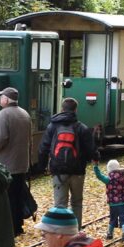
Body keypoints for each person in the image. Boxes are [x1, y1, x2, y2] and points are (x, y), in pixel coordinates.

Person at [37, 97, 97, 227]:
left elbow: (43, 148)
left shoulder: (52, 126)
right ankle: (76, 231)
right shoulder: (82, 127)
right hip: (77, 171)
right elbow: (91, 150)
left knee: (60, 204)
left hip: (58, 171)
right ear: (75, 110)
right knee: (77, 202)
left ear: (62, 109)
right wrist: (94, 159)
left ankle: (61, 232)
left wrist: (41, 167)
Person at [0, 87, 33, 236]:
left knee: (7, 198)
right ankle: (18, 225)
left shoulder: (3, 115)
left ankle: (9, 228)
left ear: (6, 99)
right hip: (21, 163)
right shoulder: (24, 114)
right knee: (18, 196)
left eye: (1, 97)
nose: (0, 99)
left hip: (6, 164)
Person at [93, 159, 124, 241]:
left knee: (113, 218)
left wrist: (95, 166)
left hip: (113, 204)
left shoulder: (109, 179)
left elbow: (99, 176)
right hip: (123, 202)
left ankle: (109, 234)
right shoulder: (123, 177)